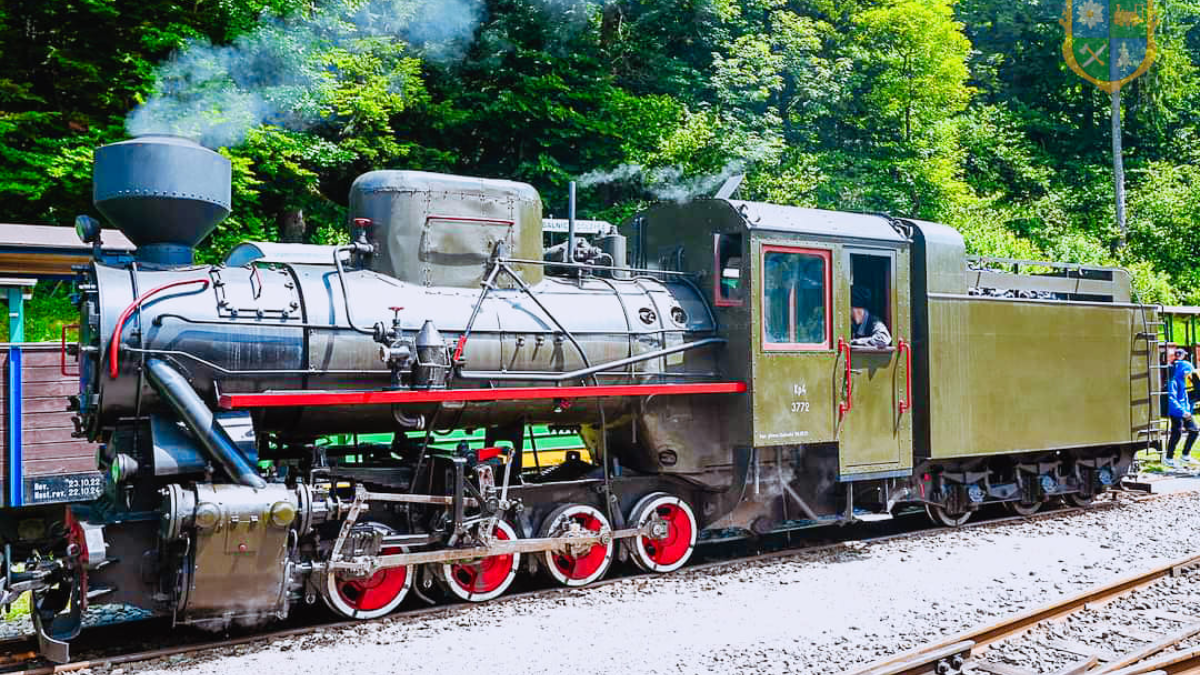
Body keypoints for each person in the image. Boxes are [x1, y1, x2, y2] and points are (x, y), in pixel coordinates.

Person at [1166, 348, 1199, 469]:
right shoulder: (1174, 381)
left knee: (1194, 431)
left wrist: (1189, 409)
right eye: (1187, 372)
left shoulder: (1184, 381)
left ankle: (1185, 455)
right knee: (1176, 433)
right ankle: (1169, 458)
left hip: (1184, 411)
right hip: (1177, 412)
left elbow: (1187, 397)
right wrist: (1182, 411)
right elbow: (1172, 399)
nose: (1188, 375)